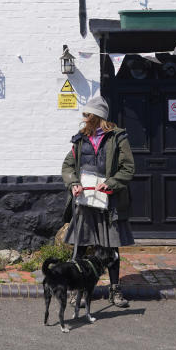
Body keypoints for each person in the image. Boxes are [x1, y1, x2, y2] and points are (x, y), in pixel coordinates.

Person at [61, 94, 135, 308]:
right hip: (84, 202)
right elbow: (67, 167)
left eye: (88, 115)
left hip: (108, 203)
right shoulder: (79, 139)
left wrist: (111, 183)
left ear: (98, 117)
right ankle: (78, 290)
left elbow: (128, 168)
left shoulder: (118, 138)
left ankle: (114, 290)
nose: (84, 119)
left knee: (110, 248)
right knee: (81, 247)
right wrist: (73, 182)